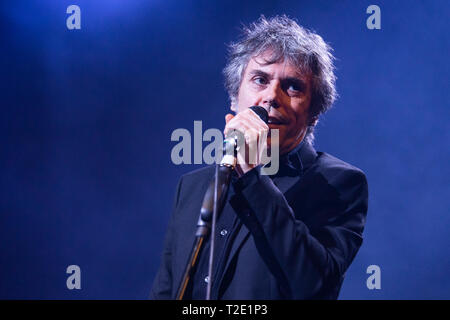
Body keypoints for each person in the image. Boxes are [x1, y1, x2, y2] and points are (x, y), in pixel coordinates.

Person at [150, 15, 368, 300]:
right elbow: (166, 291)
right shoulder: (192, 187)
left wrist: (253, 175)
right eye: (260, 79)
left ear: (314, 113)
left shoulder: (339, 183)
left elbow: (315, 286)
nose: (271, 96)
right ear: (234, 96)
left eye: (292, 86)